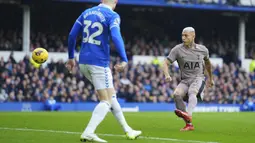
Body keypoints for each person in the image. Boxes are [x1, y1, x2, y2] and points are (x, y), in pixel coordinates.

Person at [66, 0, 141, 142]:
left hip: (83, 61)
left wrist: (71, 57)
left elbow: (71, 35)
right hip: (99, 62)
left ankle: (128, 130)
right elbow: (115, 36)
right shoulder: (112, 15)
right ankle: (89, 132)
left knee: (111, 97)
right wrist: (124, 59)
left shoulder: (86, 12)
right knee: (105, 101)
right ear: (116, 1)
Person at [162, 27, 214, 131]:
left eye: (186, 35)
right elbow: (165, 63)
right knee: (176, 95)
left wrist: (210, 78)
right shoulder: (177, 50)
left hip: (198, 78)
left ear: (193, 36)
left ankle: (188, 115)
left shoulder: (203, 50)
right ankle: (189, 124)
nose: (183, 38)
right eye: (182, 35)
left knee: (192, 92)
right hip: (185, 80)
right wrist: (167, 75)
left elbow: (208, 64)